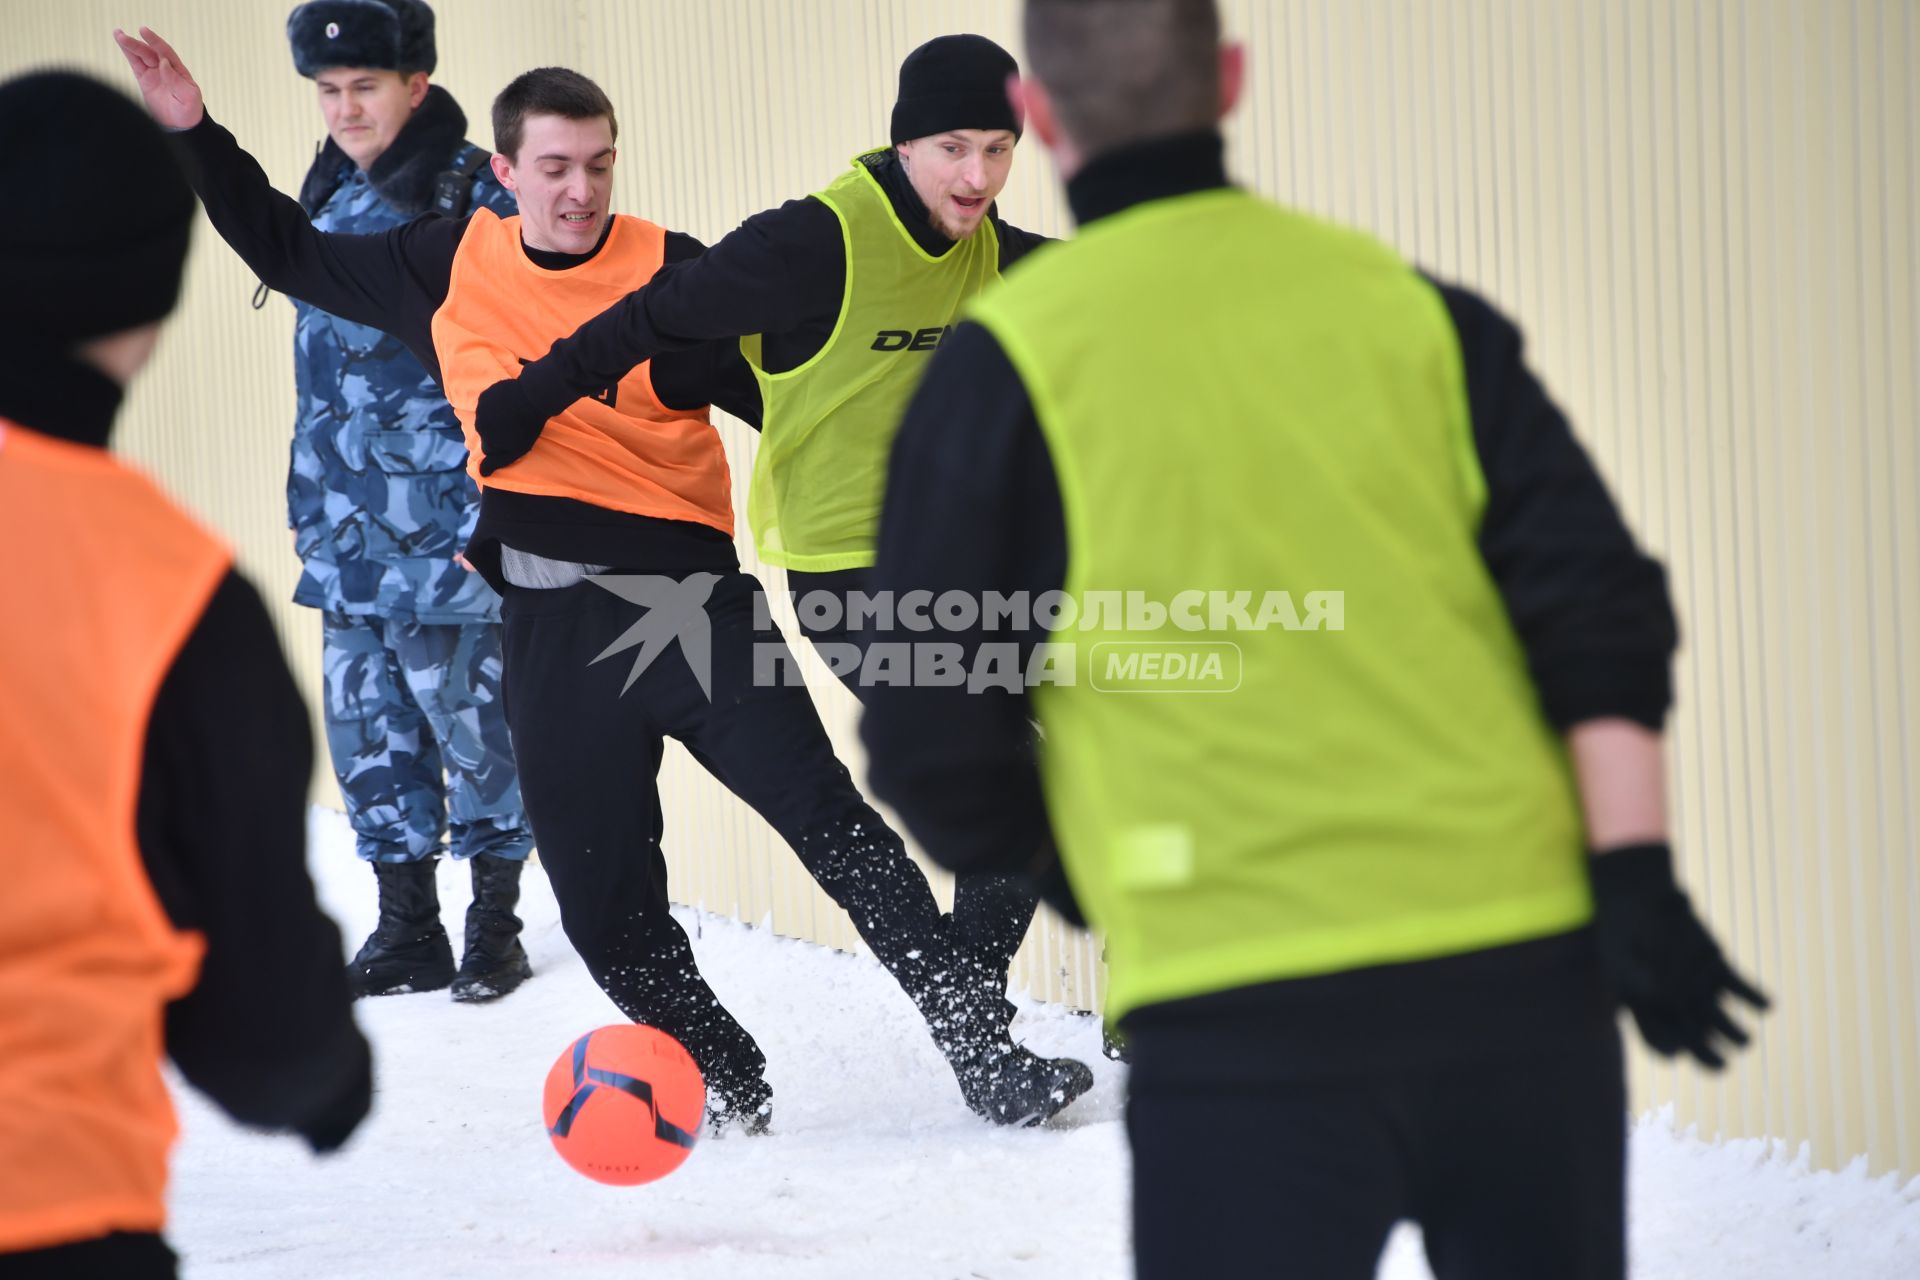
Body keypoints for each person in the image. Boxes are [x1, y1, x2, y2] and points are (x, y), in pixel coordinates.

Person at [861, 1, 1770, 1276]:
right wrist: (1634, 876)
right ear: (1229, 79)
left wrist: (1081, 872)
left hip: (1239, 1006)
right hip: (1514, 977)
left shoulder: (1004, 368)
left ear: (1043, 121)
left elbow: (925, 723)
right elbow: (1598, 608)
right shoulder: (1414, 312)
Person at [113, 26, 1084, 1130]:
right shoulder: (444, 264)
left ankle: (981, 1048)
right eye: (557, 167)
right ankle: (728, 1076)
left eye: (600, 164)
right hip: (548, 619)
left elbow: (803, 400)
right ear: (506, 171)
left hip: (687, 604)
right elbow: (285, 250)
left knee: (835, 826)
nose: (580, 191)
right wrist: (195, 132)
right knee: (604, 912)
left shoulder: (674, 272)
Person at [471, 35, 1087, 1093]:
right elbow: (655, 315)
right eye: (953, 148)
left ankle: (972, 1021)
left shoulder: (995, 251)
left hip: (868, 577)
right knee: (615, 906)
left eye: (997, 148)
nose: (976, 176)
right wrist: (536, 394)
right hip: (820, 582)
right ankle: (796, 1056)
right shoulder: (805, 245)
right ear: (904, 142)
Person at [0, 70, 371, 1279]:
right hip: (47, 1203)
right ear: (152, 301)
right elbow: (260, 1022)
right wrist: (327, 1083)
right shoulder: (169, 594)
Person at [277, 0, 535, 1004]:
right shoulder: (329, 185)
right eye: (330, 90)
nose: (344, 108)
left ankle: (496, 925)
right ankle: (407, 926)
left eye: (365, 88)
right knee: (368, 729)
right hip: (341, 522)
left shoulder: (472, 189)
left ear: (415, 86)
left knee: (474, 725)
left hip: (441, 524)